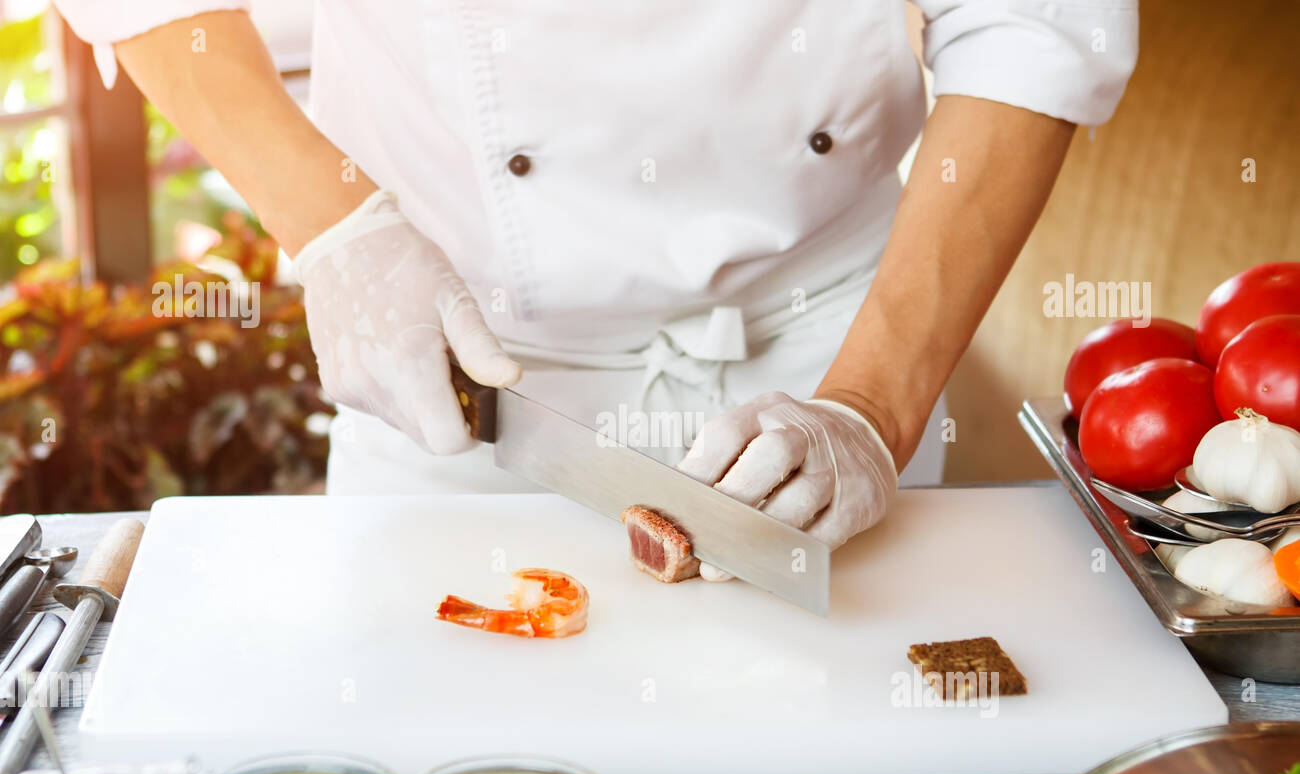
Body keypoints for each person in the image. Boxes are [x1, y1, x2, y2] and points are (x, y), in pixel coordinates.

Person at [56, 0, 1137, 563]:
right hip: (460, 381)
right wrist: (336, 231)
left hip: (833, 355)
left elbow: (1031, 27)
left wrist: (868, 405)